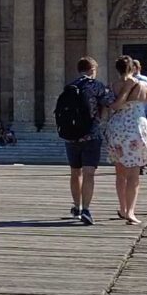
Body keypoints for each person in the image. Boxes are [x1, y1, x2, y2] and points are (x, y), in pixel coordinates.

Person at [102, 55, 147, 224]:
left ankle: (122, 208)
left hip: (116, 128)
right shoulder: (142, 85)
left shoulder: (113, 86)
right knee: (134, 175)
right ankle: (130, 212)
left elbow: (108, 106)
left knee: (120, 173)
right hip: (135, 128)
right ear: (133, 68)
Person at [53, 57, 112, 224]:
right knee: (88, 173)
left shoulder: (70, 86)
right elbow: (110, 102)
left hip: (71, 136)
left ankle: (77, 207)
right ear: (93, 70)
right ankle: (86, 209)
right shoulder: (96, 86)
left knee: (75, 172)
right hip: (91, 135)